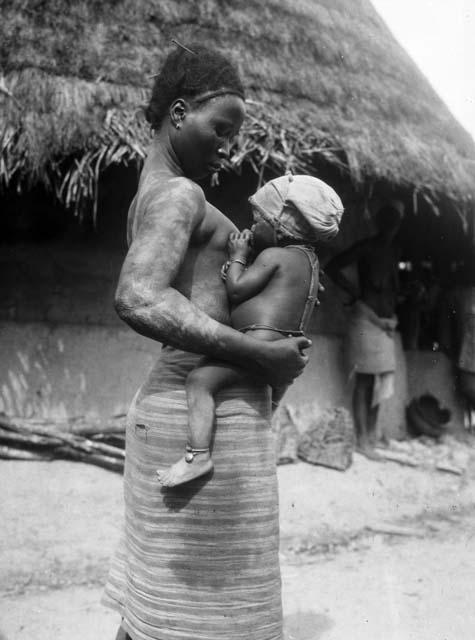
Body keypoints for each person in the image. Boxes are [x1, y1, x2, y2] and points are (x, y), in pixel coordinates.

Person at [102, 42, 312, 640]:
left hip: (191, 410)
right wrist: (256, 353)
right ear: (177, 113)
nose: (228, 145)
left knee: (166, 607)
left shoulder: (154, 192)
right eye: (219, 128)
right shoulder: (180, 194)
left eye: (233, 135)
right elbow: (138, 295)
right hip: (201, 414)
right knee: (208, 616)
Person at [157, 174, 344, 487]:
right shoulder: (310, 264)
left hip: (258, 346)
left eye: (259, 220)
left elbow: (237, 290)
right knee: (261, 411)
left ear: (281, 224)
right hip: (290, 356)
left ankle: (197, 455)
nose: (252, 227)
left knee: (199, 381)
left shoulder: (274, 256)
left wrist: (238, 257)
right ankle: (261, 426)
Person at [325, 201, 404, 457]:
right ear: (379, 223)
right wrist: (354, 292)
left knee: (381, 383)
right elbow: (332, 267)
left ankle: (371, 436)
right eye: (387, 221)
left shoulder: (394, 251)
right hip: (365, 320)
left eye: (395, 222)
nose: (391, 227)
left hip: (385, 325)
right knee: (365, 381)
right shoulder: (367, 246)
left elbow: (393, 287)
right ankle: (362, 441)